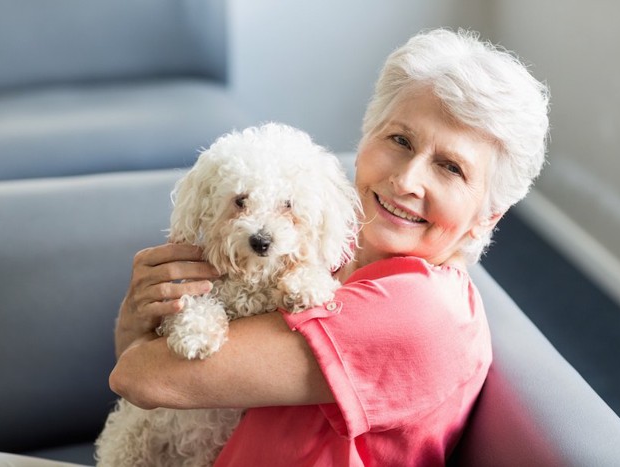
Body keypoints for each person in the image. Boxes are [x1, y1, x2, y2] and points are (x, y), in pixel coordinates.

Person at [110, 28, 550, 466]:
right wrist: (141, 315)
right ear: (365, 137)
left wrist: (137, 330)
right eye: (400, 140)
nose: (406, 180)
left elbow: (142, 378)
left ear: (487, 216)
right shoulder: (331, 251)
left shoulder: (419, 311)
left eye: (450, 167)